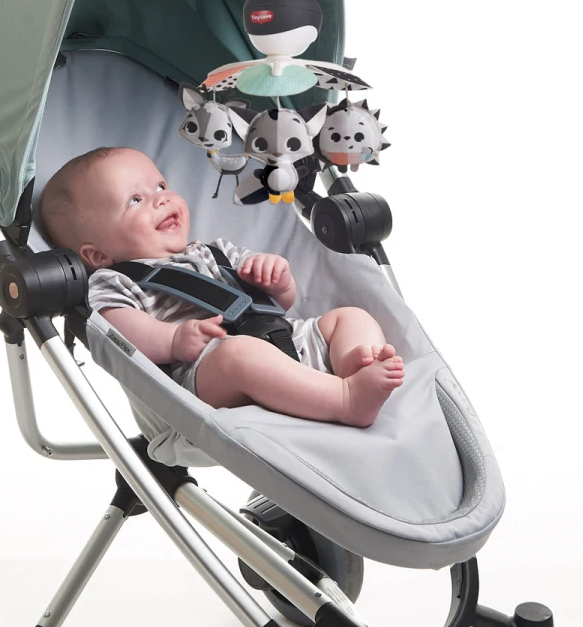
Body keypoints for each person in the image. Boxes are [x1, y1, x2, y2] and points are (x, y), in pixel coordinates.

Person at [38, 147, 404, 427]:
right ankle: (345, 399)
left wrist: (279, 281)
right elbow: (118, 329)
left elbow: (280, 304)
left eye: (161, 186)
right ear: (98, 254)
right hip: (211, 370)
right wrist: (173, 340)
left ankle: (352, 363)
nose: (161, 198)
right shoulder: (115, 279)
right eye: (135, 200)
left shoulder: (215, 251)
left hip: (287, 339)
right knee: (238, 355)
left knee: (349, 317)